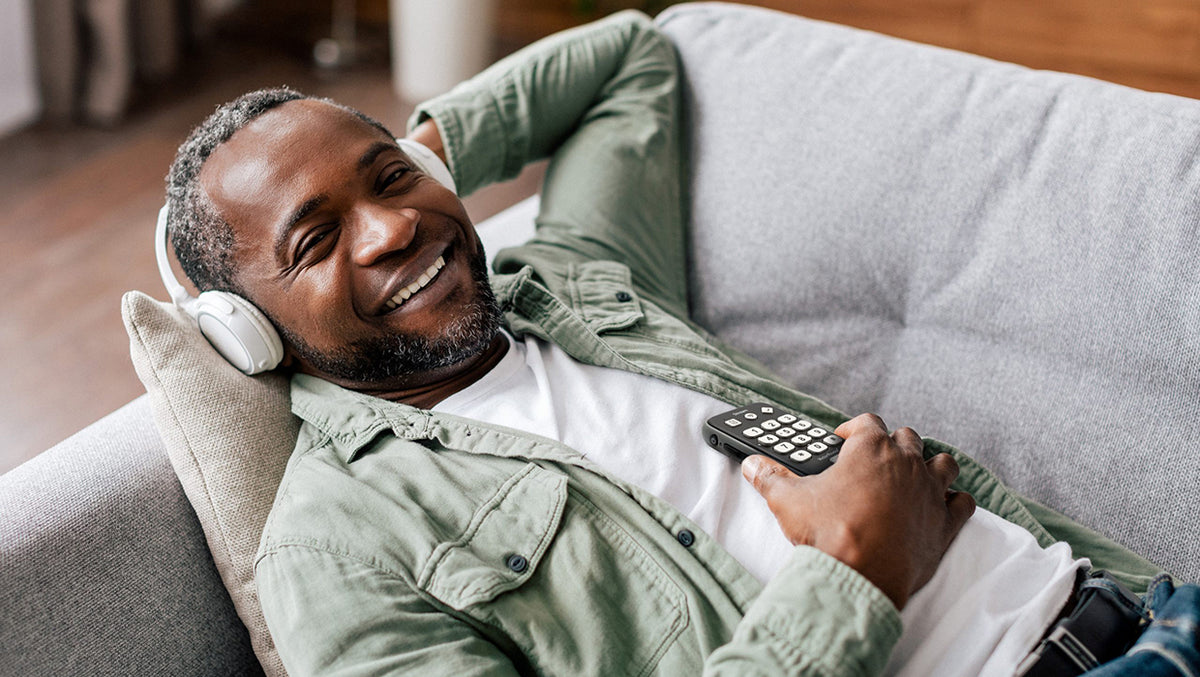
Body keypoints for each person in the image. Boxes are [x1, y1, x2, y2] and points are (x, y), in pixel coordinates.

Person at [164, 10, 1195, 677]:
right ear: (247, 328)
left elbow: (629, 57)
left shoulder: (575, 279)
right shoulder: (336, 549)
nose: (391, 229)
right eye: (316, 238)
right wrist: (855, 572)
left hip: (1147, 608)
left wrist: (416, 151)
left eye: (388, 183)